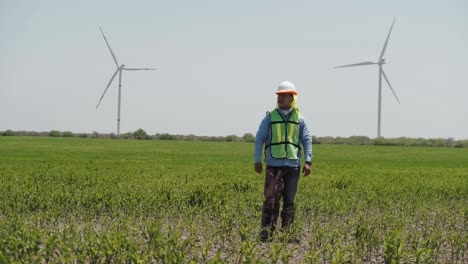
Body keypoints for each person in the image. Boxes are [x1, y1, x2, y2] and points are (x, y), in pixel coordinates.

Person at [254, 80, 313, 242]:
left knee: (289, 201)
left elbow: (307, 140)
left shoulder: (300, 119)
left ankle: (288, 235)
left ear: (292, 97)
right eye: (279, 95)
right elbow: (259, 139)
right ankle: (266, 234)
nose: (280, 98)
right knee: (270, 201)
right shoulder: (269, 118)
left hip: (293, 166)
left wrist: (308, 161)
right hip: (273, 166)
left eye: (284, 95)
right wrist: (257, 160)